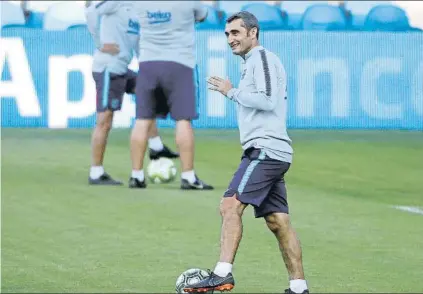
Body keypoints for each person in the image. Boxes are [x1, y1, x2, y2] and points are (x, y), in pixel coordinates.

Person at [184, 12, 309, 294]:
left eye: (236, 33)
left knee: (230, 205)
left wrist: (231, 91)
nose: (231, 39)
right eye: (228, 34)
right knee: (278, 221)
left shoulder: (262, 58)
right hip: (270, 150)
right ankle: (299, 287)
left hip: (266, 149)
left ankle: (221, 273)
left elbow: (267, 100)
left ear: (253, 33)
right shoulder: (250, 62)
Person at [85, 1, 178, 186]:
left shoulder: (139, 10)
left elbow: (138, 45)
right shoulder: (116, 3)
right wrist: (100, 43)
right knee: (105, 120)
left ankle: (156, 146)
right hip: (107, 69)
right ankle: (96, 172)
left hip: (122, 69)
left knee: (148, 93)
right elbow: (91, 12)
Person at [129, 1, 213, 190]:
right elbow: (203, 15)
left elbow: (133, 22)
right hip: (179, 63)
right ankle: (188, 176)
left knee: (143, 120)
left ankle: (136, 175)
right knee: (183, 120)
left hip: (148, 64)